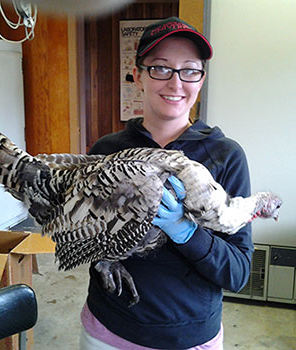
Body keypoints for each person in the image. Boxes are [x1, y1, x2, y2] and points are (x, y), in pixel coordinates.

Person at [80, 17, 254, 350]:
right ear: (138, 75)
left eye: (189, 70)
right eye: (160, 68)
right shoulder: (106, 150)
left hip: (189, 338)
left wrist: (186, 232)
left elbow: (237, 273)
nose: (176, 83)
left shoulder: (226, 157)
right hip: (108, 330)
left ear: (201, 80)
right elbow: (88, 240)